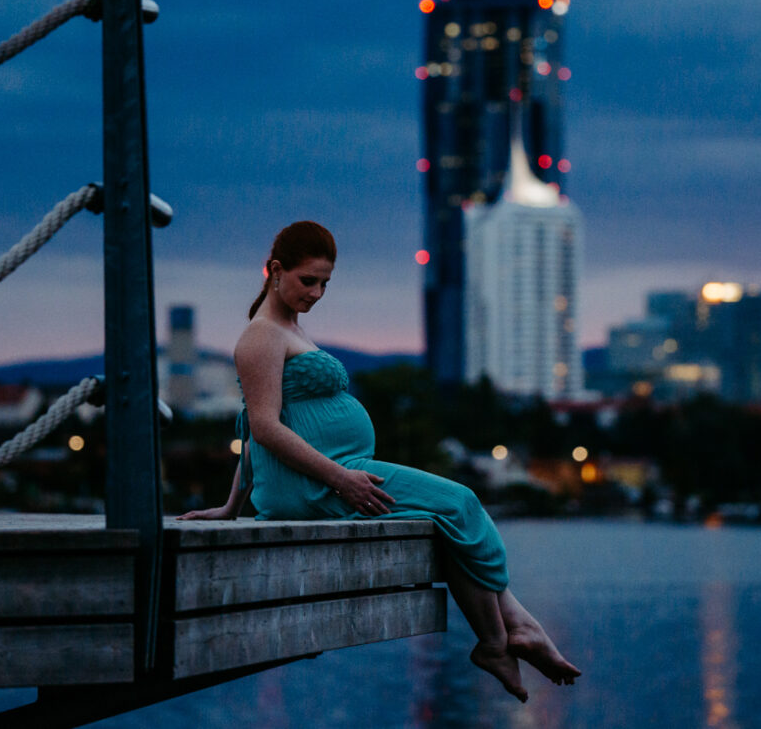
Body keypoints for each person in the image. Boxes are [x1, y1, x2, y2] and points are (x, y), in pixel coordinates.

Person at [178, 221, 580, 701]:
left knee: (444, 516)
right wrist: (340, 478)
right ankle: (501, 638)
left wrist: (230, 507)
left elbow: (250, 425)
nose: (318, 292)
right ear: (276, 271)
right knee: (462, 502)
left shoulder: (286, 329)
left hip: (335, 473)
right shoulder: (261, 335)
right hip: (318, 483)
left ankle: (512, 629)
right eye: (309, 280)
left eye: (326, 283)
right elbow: (262, 428)